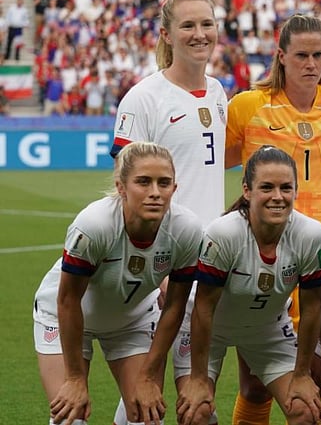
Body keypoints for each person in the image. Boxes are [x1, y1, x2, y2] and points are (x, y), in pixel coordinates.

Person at [223, 14, 321, 424]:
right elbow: (213, 160)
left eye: (318, 54)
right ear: (281, 56)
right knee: (255, 383)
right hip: (261, 254)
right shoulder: (249, 106)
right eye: (301, 55)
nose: (311, 64)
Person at [109, 0, 227, 425]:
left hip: (208, 265)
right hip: (161, 266)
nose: (200, 34)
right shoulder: (144, 98)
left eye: (206, 24)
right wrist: (154, 265)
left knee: (195, 405)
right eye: (188, 26)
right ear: (166, 34)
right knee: (148, 399)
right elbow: (127, 188)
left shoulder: (218, 92)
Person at [33, 142, 203, 425]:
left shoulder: (187, 230)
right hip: (63, 315)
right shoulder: (95, 225)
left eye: (164, 183)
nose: (155, 192)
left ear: (174, 188)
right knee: (70, 417)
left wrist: (148, 375)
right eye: (143, 182)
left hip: (132, 320)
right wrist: (75, 378)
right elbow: (68, 300)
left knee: (147, 418)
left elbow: (175, 306)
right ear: (121, 187)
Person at [176, 146, 321, 425]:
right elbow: (203, 308)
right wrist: (198, 379)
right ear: (247, 191)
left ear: (296, 190)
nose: (278, 196)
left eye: (286, 188)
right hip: (208, 329)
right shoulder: (224, 234)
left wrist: (301, 375)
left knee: (305, 411)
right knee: (196, 413)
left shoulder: (311, 235)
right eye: (267, 187)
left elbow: (312, 309)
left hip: (266, 328)